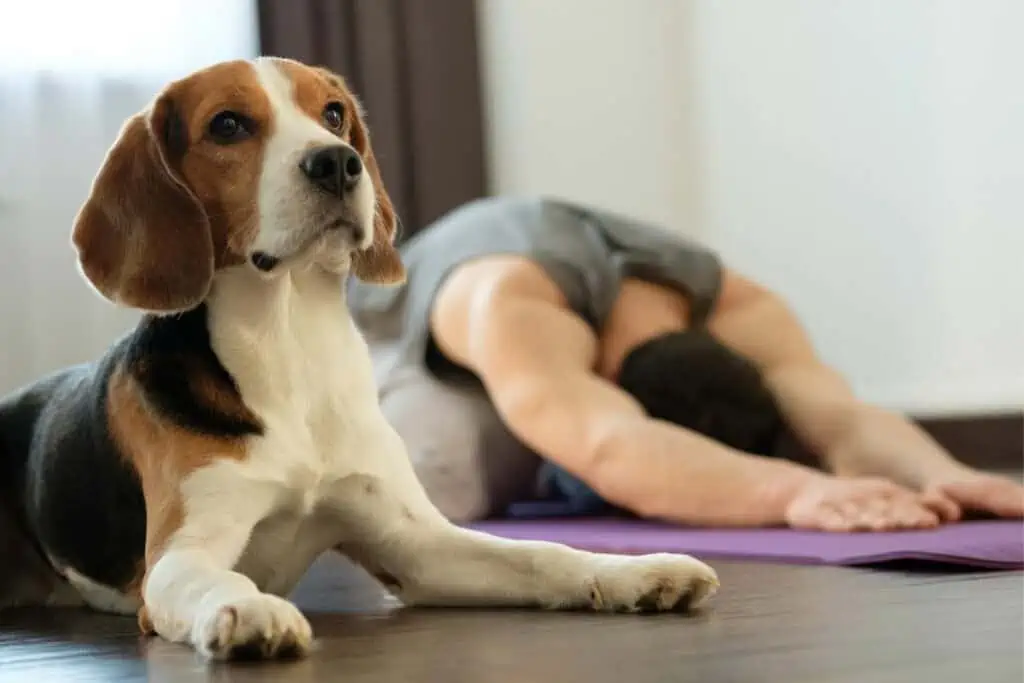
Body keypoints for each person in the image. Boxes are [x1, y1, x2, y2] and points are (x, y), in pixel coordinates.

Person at [348, 196, 1024, 531]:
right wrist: (792, 491)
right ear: (614, 388)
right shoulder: (514, 304)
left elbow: (839, 418)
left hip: (546, 340)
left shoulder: (737, 307)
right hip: (376, 337)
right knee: (453, 470)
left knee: (556, 427)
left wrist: (948, 473)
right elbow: (613, 445)